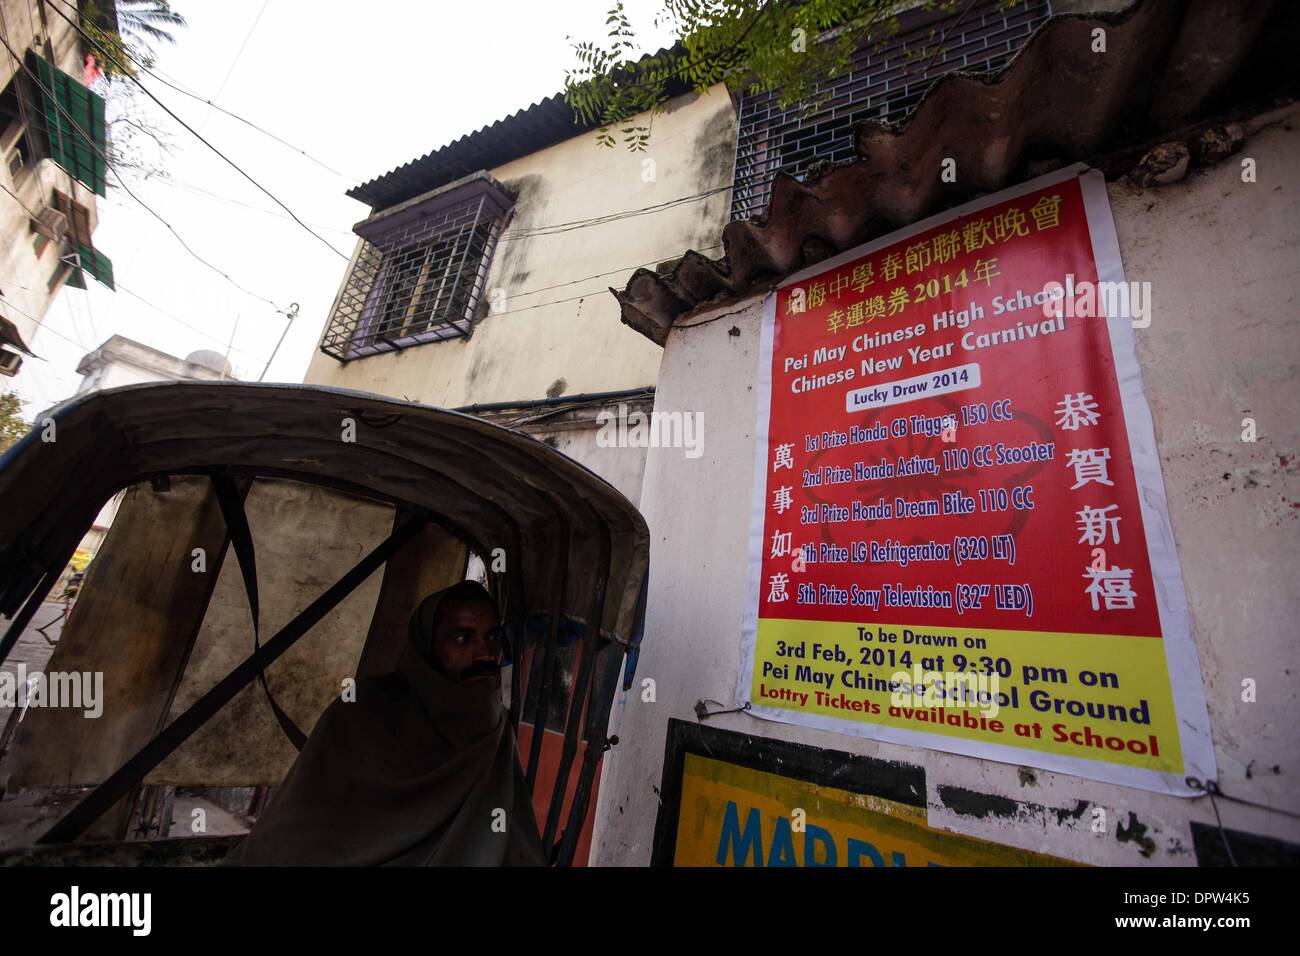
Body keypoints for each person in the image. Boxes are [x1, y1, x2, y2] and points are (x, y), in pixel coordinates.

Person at [225, 580, 547, 866]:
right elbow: (301, 835)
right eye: (462, 638)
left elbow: (512, 840)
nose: (485, 654)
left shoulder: (492, 729)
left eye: (492, 637)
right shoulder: (366, 710)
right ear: (427, 647)